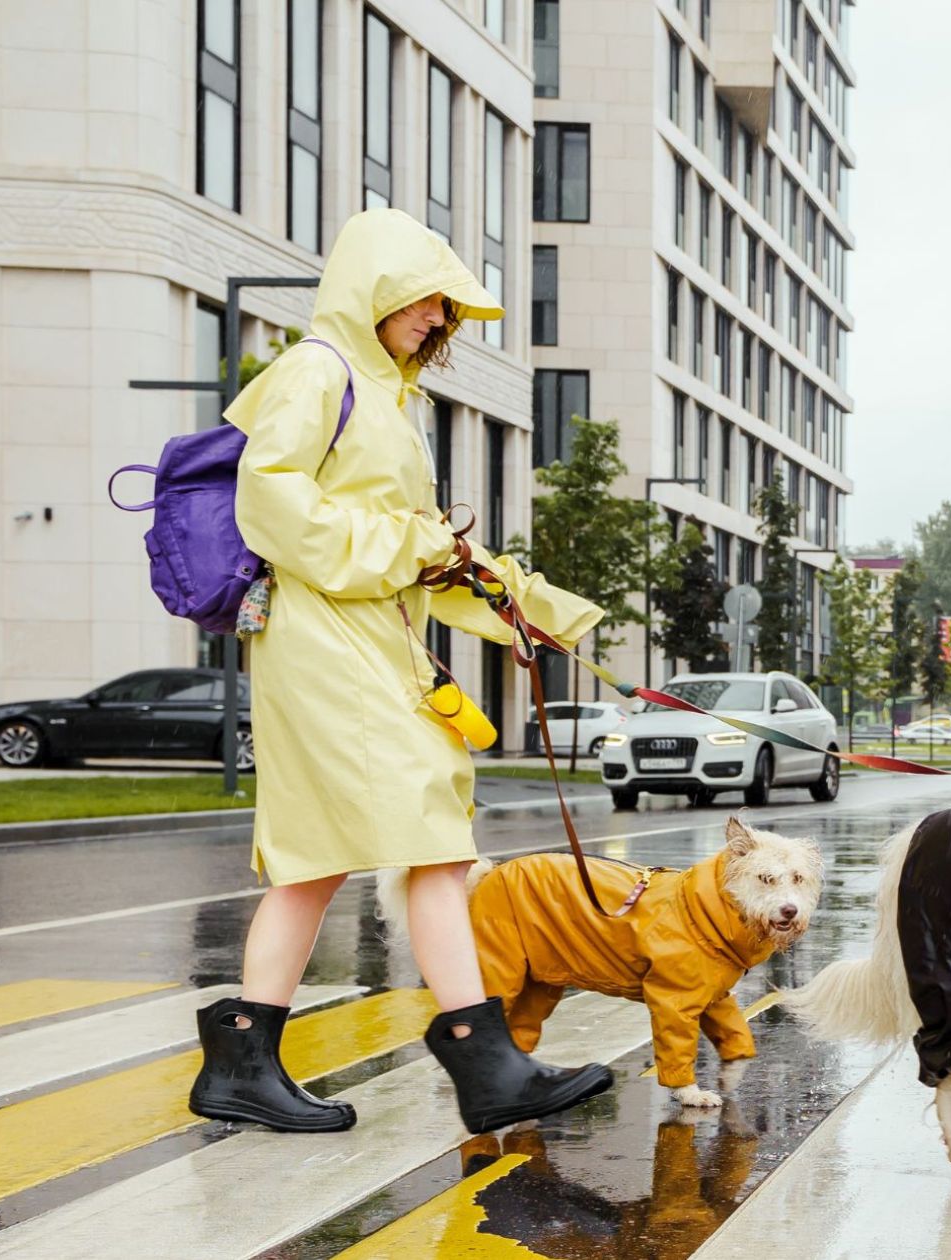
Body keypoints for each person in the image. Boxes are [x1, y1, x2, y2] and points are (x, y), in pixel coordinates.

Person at [188, 208, 613, 1134]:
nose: (436, 318)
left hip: (362, 631)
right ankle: (483, 1057)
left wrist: (544, 614)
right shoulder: (316, 371)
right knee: (429, 822)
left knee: (317, 858)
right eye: (424, 299)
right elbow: (273, 505)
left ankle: (243, 1058)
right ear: (371, 289)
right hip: (320, 634)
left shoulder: (387, 400)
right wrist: (408, 553)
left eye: (444, 307)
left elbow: (428, 555)